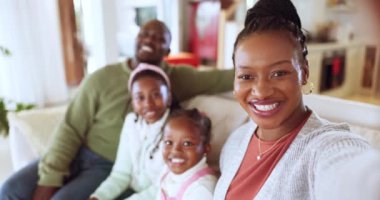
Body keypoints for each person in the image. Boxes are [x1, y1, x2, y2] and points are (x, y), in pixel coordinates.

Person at [0, 20, 233, 200]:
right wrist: (50, 177)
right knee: (10, 190)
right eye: (144, 33)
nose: (149, 39)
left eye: (158, 37)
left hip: (108, 166)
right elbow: (70, 128)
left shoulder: (178, 78)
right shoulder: (103, 78)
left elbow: (222, 78)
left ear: (167, 50)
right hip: (80, 151)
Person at [213, 0, 371, 199]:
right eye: (246, 76)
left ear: (304, 73)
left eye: (278, 73)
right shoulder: (235, 142)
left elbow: (354, 178)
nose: (261, 92)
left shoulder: (327, 147)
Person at [89, 63, 172, 200]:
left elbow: (165, 186)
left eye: (156, 95)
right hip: (132, 193)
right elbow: (121, 174)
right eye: (140, 97)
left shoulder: (175, 129)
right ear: (132, 102)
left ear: (168, 97)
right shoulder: (131, 122)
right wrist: (98, 197)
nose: (148, 104)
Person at [157, 108, 217, 200]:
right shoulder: (167, 170)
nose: (175, 150)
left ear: (206, 148)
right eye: (169, 142)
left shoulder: (202, 189)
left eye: (187, 144)